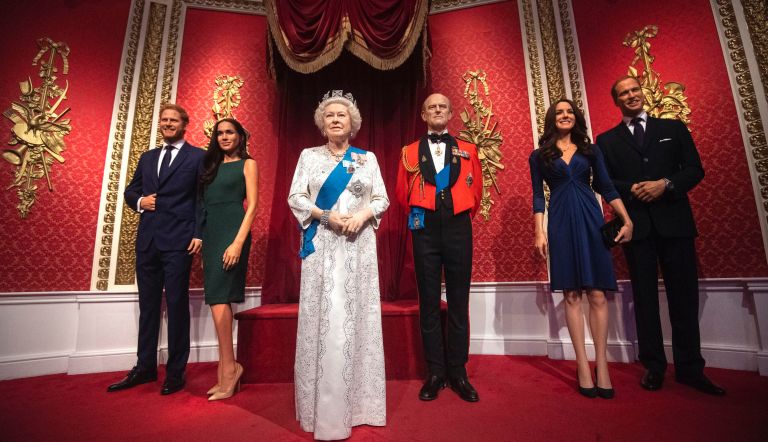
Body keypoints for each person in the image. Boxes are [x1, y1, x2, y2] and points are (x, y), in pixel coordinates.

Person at [596, 76, 725, 396]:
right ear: (616, 101)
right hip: (635, 228)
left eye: (634, 90)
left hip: (676, 225)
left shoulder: (673, 128)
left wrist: (664, 184)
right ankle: (653, 367)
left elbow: (694, 169)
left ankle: (691, 368)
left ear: (643, 93)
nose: (630, 96)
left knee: (684, 297)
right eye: (623, 93)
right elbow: (602, 181)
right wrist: (634, 190)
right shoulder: (606, 140)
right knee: (644, 299)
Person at [288, 90, 389, 440]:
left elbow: (381, 198)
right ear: (321, 123)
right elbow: (296, 197)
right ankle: (322, 408)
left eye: (341, 115)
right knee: (326, 317)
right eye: (329, 115)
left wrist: (362, 214)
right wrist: (325, 215)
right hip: (322, 244)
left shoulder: (367, 159)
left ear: (352, 123)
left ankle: (360, 404)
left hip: (358, 245)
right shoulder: (308, 156)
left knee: (354, 316)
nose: (335, 119)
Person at [529, 99, 633, 399]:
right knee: (572, 294)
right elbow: (538, 196)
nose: (565, 115)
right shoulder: (539, 156)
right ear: (552, 119)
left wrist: (626, 218)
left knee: (597, 293)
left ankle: (602, 365)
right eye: (559, 112)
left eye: (569, 112)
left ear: (576, 118)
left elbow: (607, 186)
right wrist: (539, 231)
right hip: (560, 221)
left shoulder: (591, 150)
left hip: (590, 217)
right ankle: (582, 366)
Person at [109, 103, 205, 395]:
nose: (167, 123)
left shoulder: (198, 156)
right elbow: (130, 191)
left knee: (176, 307)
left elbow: (202, 198)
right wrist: (140, 202)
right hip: (148, 242)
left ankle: (176, 373)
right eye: (163, 120)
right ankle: (145, 367)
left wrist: (199, 235)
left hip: (179, 242)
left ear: (184, 124)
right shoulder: (148, 157)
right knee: (148, 308)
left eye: (173, 120)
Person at [396, 93, 483, 402]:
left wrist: (456, 212)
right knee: (429, 301)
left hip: (459, 227)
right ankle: (435, 371)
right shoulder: (408, 152)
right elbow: (400, 194)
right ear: (423, 114)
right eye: (431, 106)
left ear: (450, 113)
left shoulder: (468, 149)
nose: (437, 110)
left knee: (459, 300)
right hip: (425, 230)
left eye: (442, 106)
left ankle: (458, 371)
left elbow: (478, 191)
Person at [199, 118, 258, 401]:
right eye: (220, 133)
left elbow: (253, 206)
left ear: (239, 136)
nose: (224, 137)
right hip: (211, 233)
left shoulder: (248, 164)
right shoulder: (209, 167)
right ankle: (228, 368)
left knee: (221, 296)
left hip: (233, 229)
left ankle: (230, 370)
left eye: (230, 132)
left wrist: (237, 242)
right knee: (215, 298)